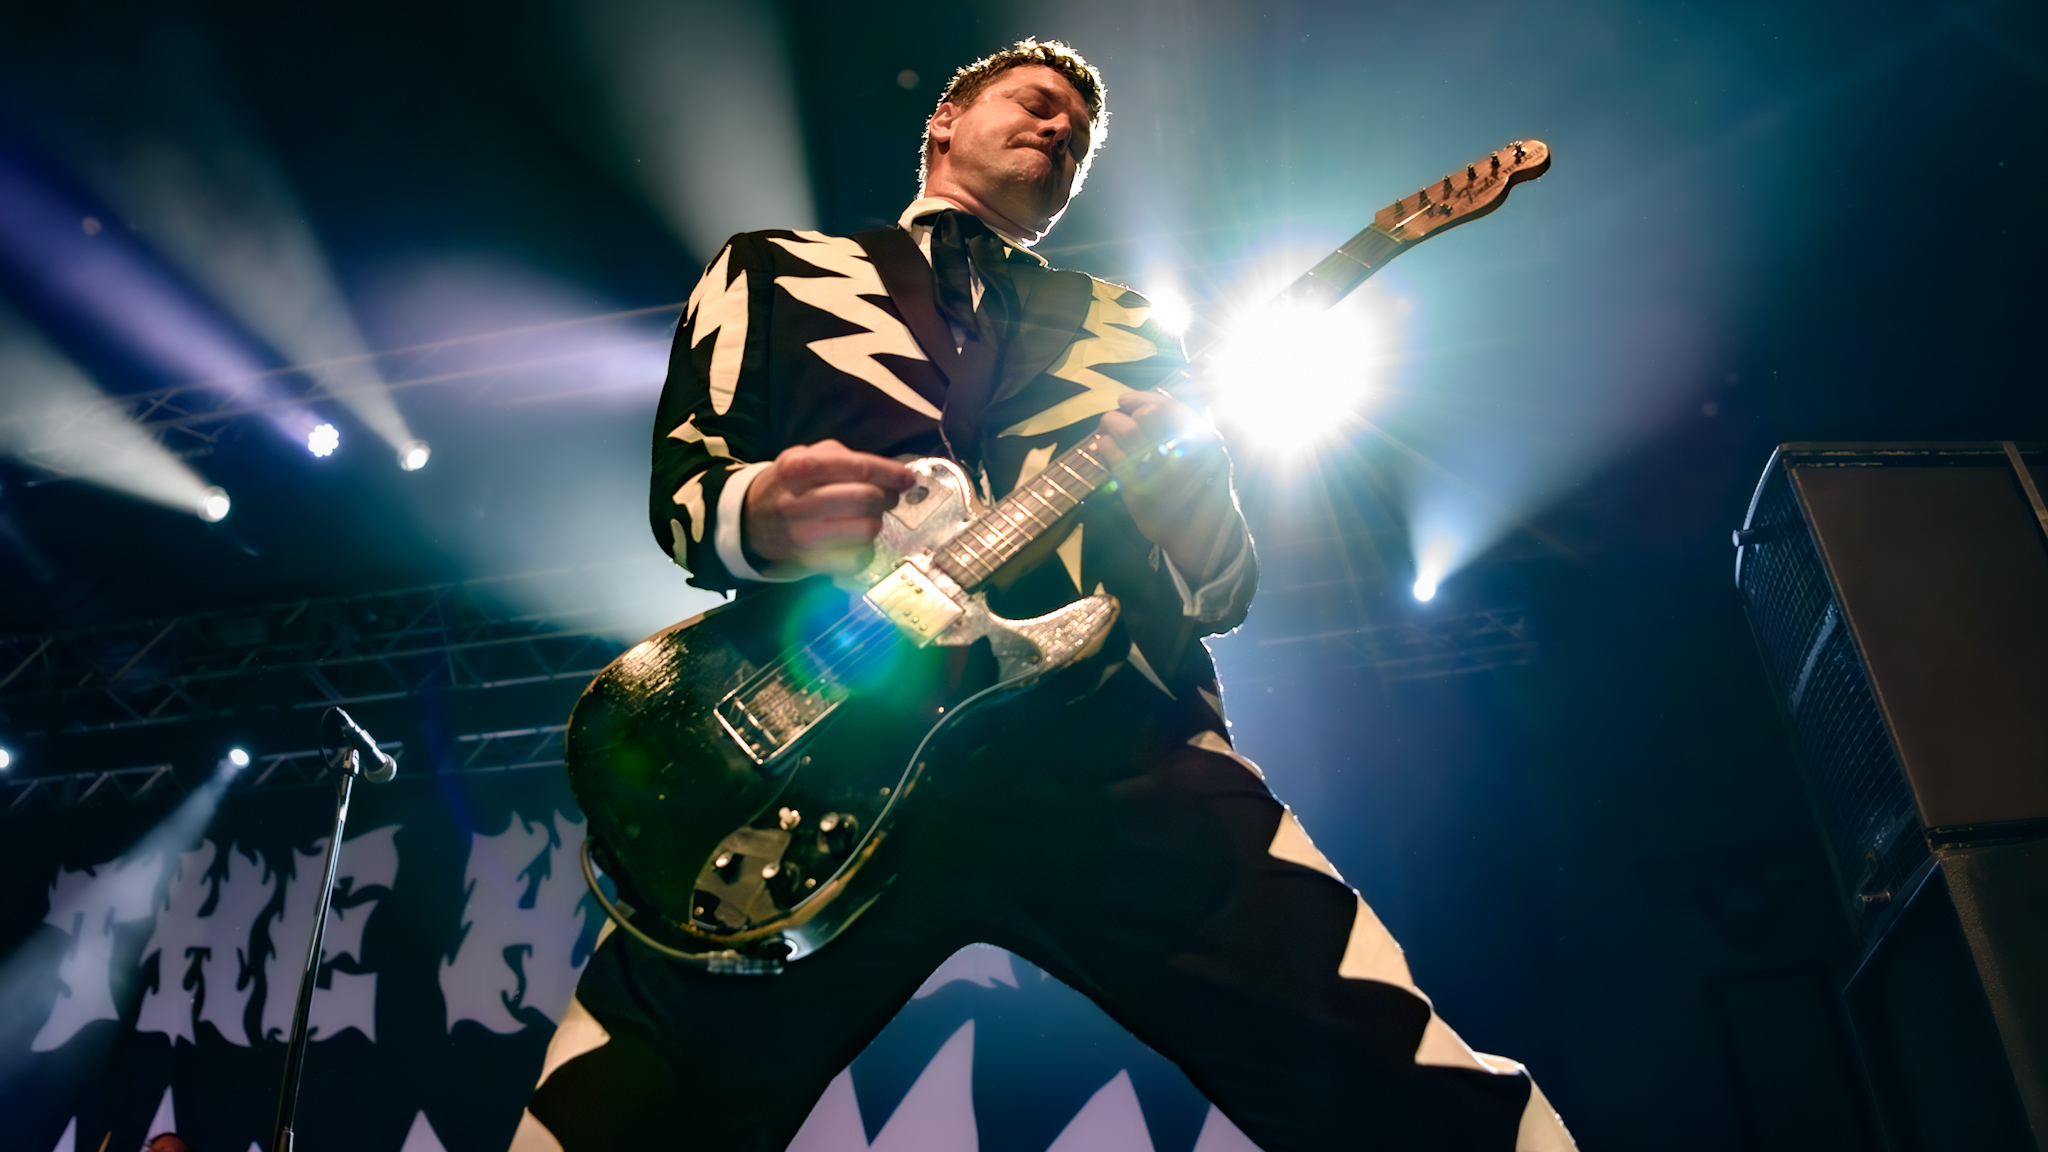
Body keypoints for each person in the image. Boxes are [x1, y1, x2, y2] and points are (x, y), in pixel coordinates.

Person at [515, 38, 1573, 1152]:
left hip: (1113, 748)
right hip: (818, 766)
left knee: (1405, 1087)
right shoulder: (775, 271)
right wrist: (763, 508)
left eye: (1080, 134)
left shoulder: (1130, 324)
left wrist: (1194, 508)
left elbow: (1219, 590)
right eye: (1035, 102)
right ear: (945, 120)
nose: (1061, 129)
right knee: (616, 1117)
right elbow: (688, 493)